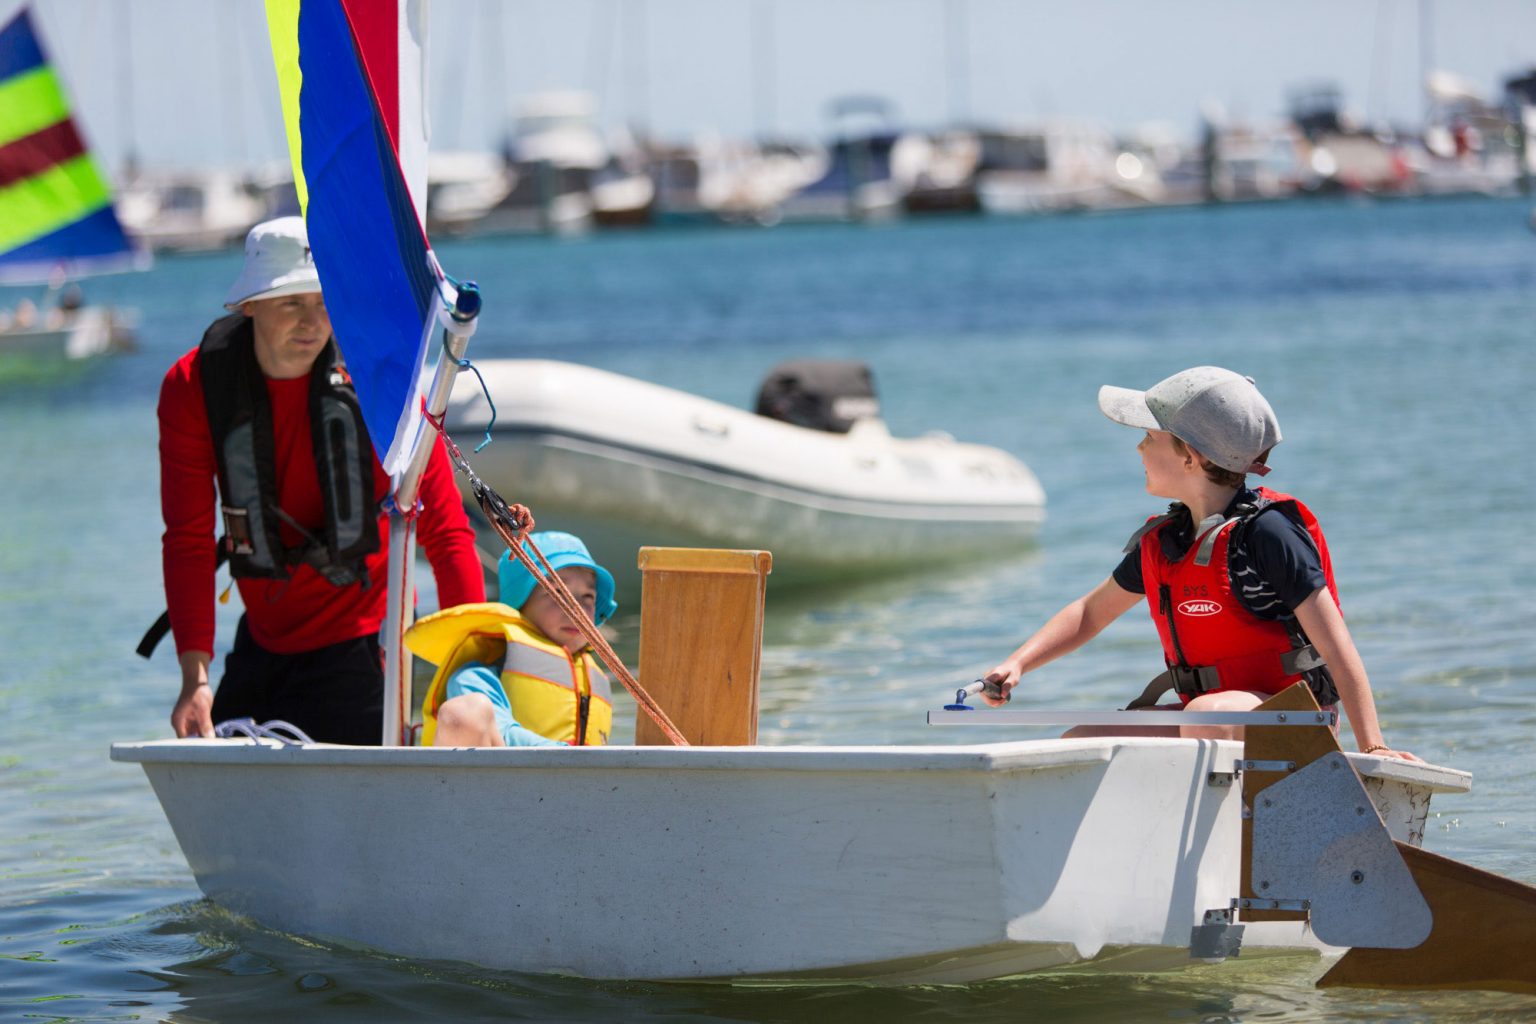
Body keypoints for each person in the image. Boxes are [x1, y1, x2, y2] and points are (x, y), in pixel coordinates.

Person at [983, 366, 1417, 761]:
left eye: (1150, 437)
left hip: (1294, 718)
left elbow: (1338, 648)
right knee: (1082, 741)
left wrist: (1373, 746)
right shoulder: (1167, 541)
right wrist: (1018, 663)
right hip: (1209, 718)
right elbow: (1088, 614)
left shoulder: (1268, 535)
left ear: (1190, 457)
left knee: (1206, 714)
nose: (1138, 447)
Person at [159, 216, 484, 744]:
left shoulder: (381, 382)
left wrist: (470, 672)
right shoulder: (193, 387)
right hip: (264, 640)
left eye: (324, 300)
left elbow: (446, 532)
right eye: (290, 302)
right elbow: (188, 540)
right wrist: (194, 677)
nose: (312, 322)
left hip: (362, 644)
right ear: (249, 306)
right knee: (218, 765)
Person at [408, 531, 617, 747]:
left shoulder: (597, 677)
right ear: (521, 602)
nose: (576, 609)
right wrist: (568, 756)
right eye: (558, 593)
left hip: (575, 778)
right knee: (464, 711)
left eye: (588, 597)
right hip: (506, 777)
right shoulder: (481, 671)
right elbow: (501, 729)